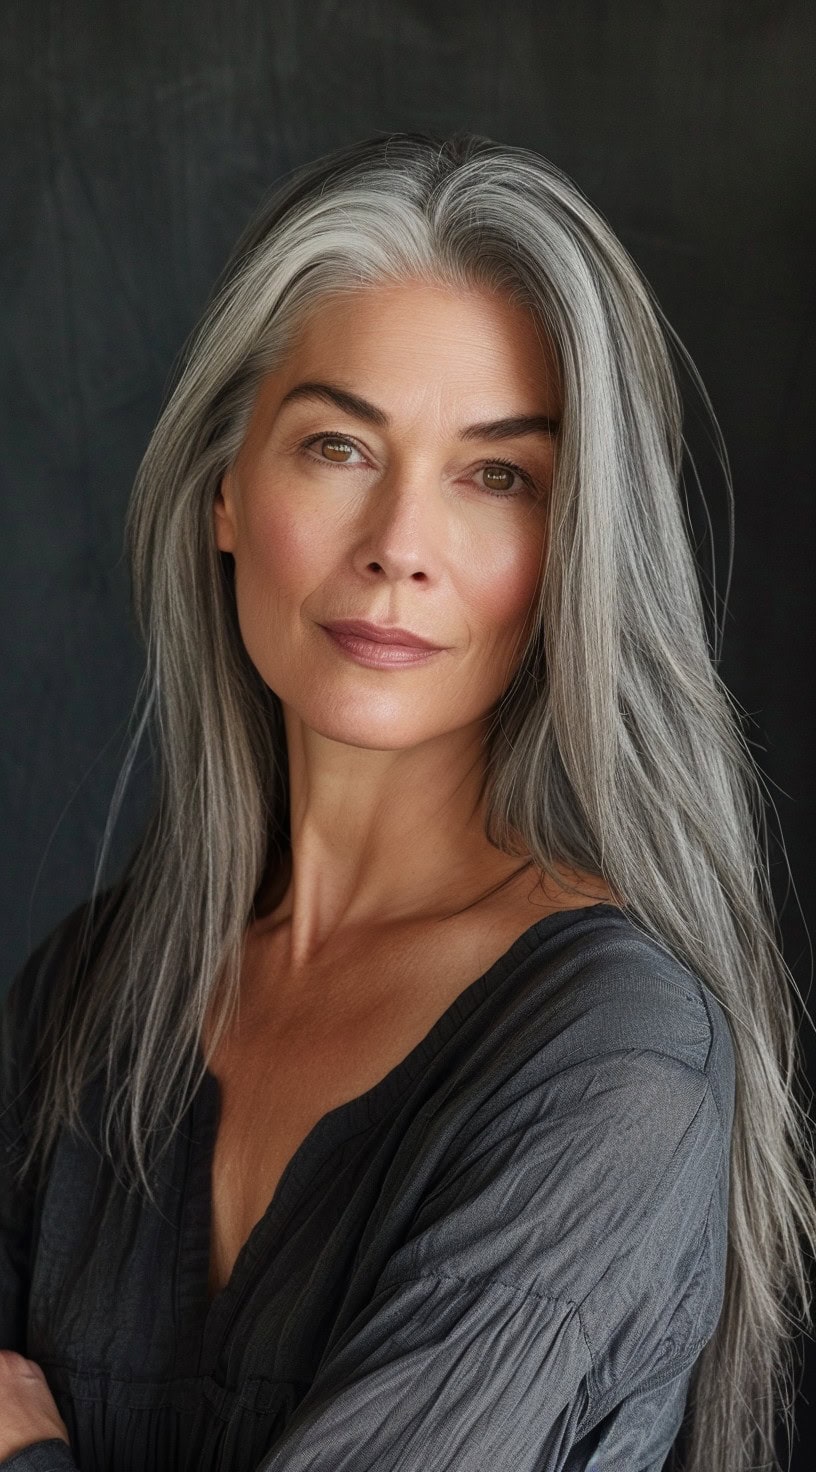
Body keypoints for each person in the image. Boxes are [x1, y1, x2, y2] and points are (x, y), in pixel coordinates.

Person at [0, 129, 813, 1472]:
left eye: (498, 477)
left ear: (572, 556)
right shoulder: (87, 996)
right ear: (224, 490)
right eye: (336, 446)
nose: (399, 550)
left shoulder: (614, 1062)